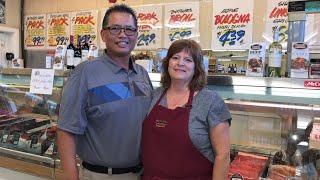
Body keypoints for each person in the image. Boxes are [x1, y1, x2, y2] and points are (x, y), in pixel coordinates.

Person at [57, 4, 153, 180]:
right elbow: (66, 130)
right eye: (115, 28)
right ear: (103, 34)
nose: (123, 34)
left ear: (136, 35)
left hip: (141, 173)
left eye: (129, 29)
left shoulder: (142, 75)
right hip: (102, 175)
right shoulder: (85, 73)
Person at [142, 39, 232, 180]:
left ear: (196, 67)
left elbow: (223, 154)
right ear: (167, 63)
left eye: (188, 60)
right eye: (175, 57)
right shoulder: (155, 95)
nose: (180, 63)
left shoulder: (210, 101)